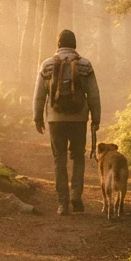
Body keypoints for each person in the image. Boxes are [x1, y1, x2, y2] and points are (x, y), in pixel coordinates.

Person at [33, 29, 102, 215]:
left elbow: (39, 95)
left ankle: (62, 203)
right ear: (74, 44)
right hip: (79, 119)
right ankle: (76, 196)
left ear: (58, 44)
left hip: (55, 120)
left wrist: (38, 117)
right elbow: (93, 94)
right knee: (78, 157)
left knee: (59, 159)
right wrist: (96, 119)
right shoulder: (85, 65)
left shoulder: (47, 65)